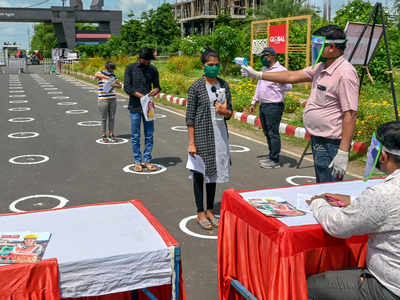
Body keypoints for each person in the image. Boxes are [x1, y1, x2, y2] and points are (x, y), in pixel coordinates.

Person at [241, 25, 359, 183]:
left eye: (318, 45)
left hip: (331, 143)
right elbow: (291, 76)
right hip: (318, 139)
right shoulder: (320, 67)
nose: (314, 48)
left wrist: (343, 152)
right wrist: (258, 74)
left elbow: (350, 114)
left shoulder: (345, 73)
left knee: (329, 189)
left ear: (331, 47)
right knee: (321, 186)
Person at [305, 121, 400, 300]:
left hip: (388, 287)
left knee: (311, 286)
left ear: (383, 156)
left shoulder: (384, 193)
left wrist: (318, 203)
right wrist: (355, 201)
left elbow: (338, 226)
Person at [186, 47, 233, 230]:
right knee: (200, 174)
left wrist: (225, 111)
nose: (213, 68)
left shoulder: (224, 85)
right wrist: (191, 142)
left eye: (216, 65)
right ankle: (200, 211)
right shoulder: (196, 87)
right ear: (203, 66)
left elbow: (230, 113)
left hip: (220, 136)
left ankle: (210, 210)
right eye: (210, 65)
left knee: (213, 174)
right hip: (201, 136)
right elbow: (189, 117)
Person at [250, 47, 292, 169]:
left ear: (272, 56)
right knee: (266, 132)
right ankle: (271, 155)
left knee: (273, 132)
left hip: (274, 105)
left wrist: (278, 84)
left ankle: (275, 159)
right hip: (264, 105)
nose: (263, 59)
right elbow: (259, 86)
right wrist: (254, 102)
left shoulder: (281, 70)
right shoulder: (264, 69)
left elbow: (289, 86)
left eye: (265, 56)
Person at [124, 48, 160, 172]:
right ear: (140, 58)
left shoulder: (153, 70)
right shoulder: (130, 68)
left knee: (149, 134)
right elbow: (127, 88)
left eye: (150, 60)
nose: (148, 62)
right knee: (135, 135)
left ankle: (148, 160)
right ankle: (137, 161)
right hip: (135, 107)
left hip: (148, 107)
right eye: (147, 60)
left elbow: (157, 86)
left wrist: (155, 90)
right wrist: (142, 97)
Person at [95, 61, 122, 142]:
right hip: (103, 100)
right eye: (111, 69)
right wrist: (107, 78)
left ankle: (111, 134)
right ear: (107, 68)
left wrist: (114, 84)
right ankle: (104, 135)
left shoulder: (113, 75)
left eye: (113, 69)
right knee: (104, 118)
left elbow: (120, 86)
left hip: (112, 99)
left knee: (112, 117)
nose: (113, 71)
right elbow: (96, 75)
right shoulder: (100, 73)